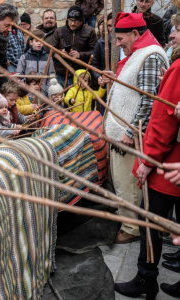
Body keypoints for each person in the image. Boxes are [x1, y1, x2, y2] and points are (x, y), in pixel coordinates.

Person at [114, 27, 180, 300]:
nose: (173, 36)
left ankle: (145, 279)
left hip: (169, 165)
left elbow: (163, 120)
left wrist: (147, 160)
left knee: (149, 220)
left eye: (178, 31)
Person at [102, 12, 168, 244]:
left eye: (121, 40)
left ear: (135, 33)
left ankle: (131, 228)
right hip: (124, 133)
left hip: (131, 135)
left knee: (129, 182)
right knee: (122, 180)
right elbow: (135, 87)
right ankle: (128, 221)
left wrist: (131, 132)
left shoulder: (150, 55)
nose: (118, 45)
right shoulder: (140, 52)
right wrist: (115, 79)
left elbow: (150, 99)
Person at [51, 6, 97, 87]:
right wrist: (61, 52)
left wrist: (80, 55)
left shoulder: (90, 31)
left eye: (75, 21)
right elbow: (50, 50)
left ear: (81, 20)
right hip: (61, 73)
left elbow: (95, 52)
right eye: (71, 20)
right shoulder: (59, 31)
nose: (72, 23)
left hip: (81, 75)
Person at [16, 29, 56, 96]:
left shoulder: (48, 58)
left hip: (43, 93)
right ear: (31, 42)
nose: (39, 43)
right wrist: (26, 86)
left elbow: (51, 75)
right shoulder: (24, 57)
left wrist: (47, 88)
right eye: (37, 41)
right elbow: (19, 74)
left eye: (41, 41)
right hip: (28, 93)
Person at [6, 8, 26, 73]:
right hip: (9, 64)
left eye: (15, 18)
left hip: (19, 65)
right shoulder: (5, 31)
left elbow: (23, 47)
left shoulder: (19, 31)